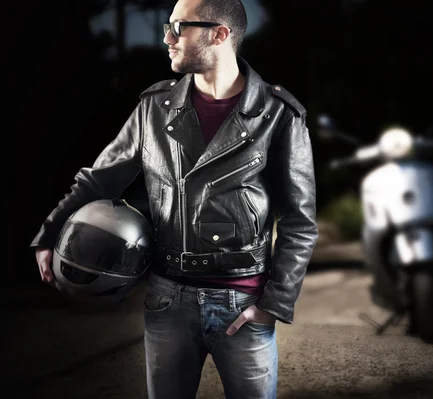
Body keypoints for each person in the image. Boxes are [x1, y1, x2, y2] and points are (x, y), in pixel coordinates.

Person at [30, 0, 318, 397]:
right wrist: (49, 233)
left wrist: (274, 305)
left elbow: (300, 222)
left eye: (178, 27)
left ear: (220, 34)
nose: (166, 38)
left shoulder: (278, 114)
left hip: (243, 300)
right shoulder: (154, 107)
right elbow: (99, 180)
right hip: (167, 300)